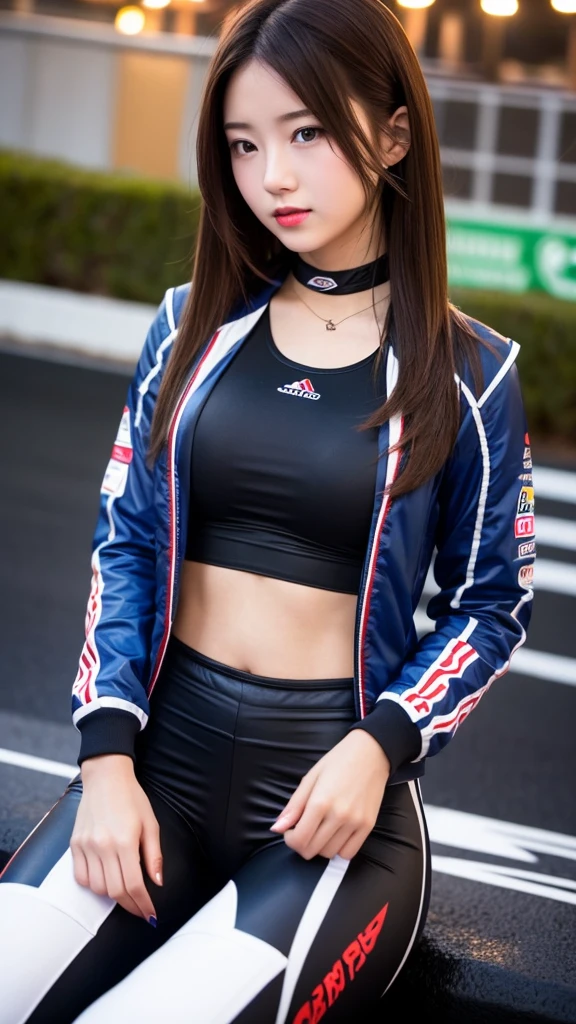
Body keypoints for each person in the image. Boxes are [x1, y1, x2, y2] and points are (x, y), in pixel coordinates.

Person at [0, 0, 536, 1021]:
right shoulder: (192, 326)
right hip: (157, 767)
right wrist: (106, 758)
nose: (272, 177)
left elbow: (491, 607)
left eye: (306, 133)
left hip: (332, 810)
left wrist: (380, 745)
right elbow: (131, 543)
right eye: (245, 145)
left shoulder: (471, 374)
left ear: (390, 132)